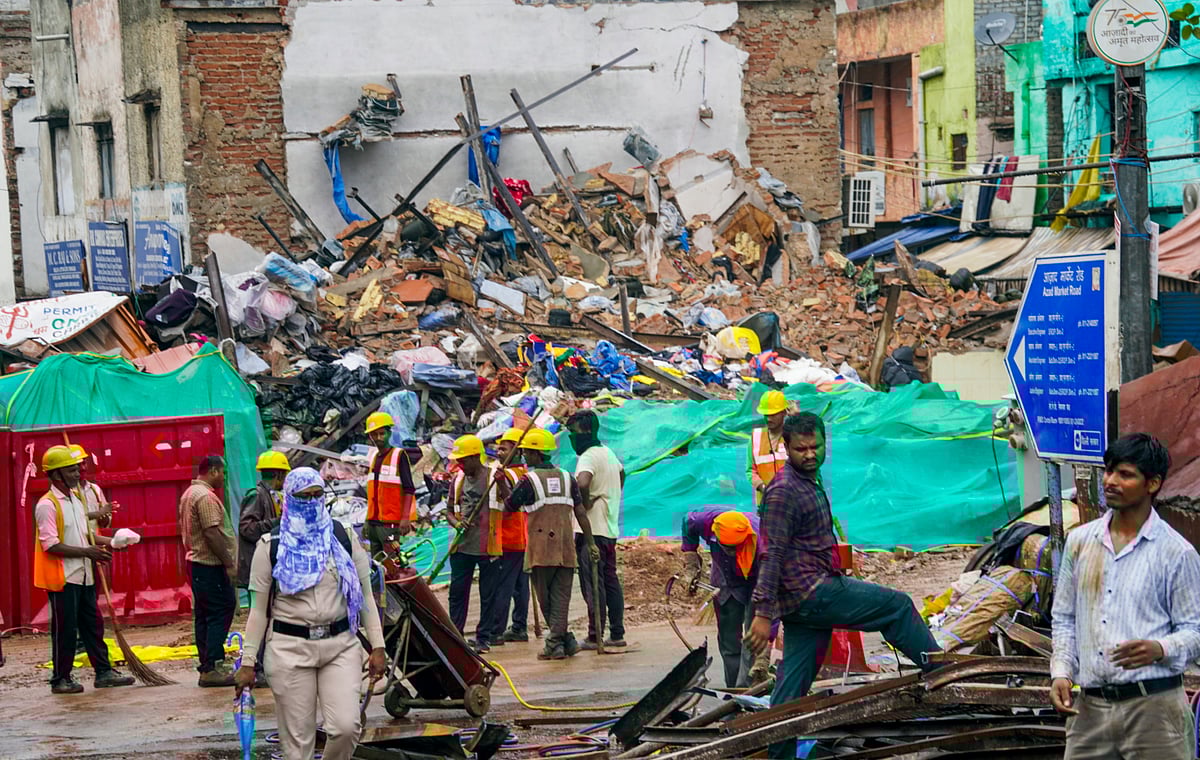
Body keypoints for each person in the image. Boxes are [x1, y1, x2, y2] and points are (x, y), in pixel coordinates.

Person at [747, 413, 938, 759]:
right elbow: (770, 553)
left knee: (790, 691)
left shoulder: (809, 481)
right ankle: (942, 674)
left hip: (805, 606)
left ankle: (779, 755)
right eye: (801, 448)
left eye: (815, 446)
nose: (809, 454)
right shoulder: (784, 491)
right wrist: (762, 613)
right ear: (786, 448)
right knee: (897, 606)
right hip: (812, 592)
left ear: (824, 444)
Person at [1049, 433, 1200, 759]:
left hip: (1154, 711)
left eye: (1125, 474)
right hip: (1089, 711)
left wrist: (1160, 648)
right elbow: (1064, 616)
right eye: (1109, 470)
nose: (1111, 481)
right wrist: (1061, 671)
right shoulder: (1080, 542)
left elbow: (1195, 632)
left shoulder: (1177, 553)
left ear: (1152, 484)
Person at [234, 468, 387, 760]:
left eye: (317, 496)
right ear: (289, 500)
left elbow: (366, 595)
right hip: (289, 650)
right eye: (304, 497)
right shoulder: (271, 548)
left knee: (345, 727)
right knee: (298, 744)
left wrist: (378, 646)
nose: (311, 502)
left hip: (340, 646)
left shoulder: (342, 539)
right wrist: (248, 662)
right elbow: (257, 612)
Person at [34, 445, 135, 694]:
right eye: (71, 470)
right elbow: (51, 545)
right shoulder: (47, 505)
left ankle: (104, 672)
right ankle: (61, 679)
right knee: (65, 630)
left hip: (85, 575)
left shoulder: (77, 499)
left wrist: (111, 543)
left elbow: (86, 535)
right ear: (56, 475)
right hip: (63, 578)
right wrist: (87, 552)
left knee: (93, 626)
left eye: (77, 468)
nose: (78, 473)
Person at [500, 428, 599, 660]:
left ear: (536, 454)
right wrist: (591, 542)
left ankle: (555, 643)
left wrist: (502, 485)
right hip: (565, 547)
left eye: (527, 452)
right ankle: (566, 641)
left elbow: (508, 508)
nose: (524, 456)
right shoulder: (567, 477)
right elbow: (581, 511)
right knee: (561, 598)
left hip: (540, 549)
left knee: (547, 600)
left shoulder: (528, 480)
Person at [682, 509, 767, 688]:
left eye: (735, 548)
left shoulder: (763, 545)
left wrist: (764, 653)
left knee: (754, 638)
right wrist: (691, 561)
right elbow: (687, 524)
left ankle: (748, 689)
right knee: (728, 639)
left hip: (756, 580)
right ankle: (733, 689)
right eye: (726, 547)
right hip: (725, 578)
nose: (730, 552)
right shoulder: (702, 520)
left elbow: (771, 596)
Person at [568, 410, 627, 649]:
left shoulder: (589, 456)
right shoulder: (608, 453)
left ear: (586, 431)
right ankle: (617, 632)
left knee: (593, 583)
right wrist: (612, 496)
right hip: (609, 528)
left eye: (574, 432)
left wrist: (584, 502)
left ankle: (595, 635)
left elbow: (582, 482)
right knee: (610, 581)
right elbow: (623, 473)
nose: (573, 437)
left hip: (590, 530)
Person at [180, 455, 237, 687]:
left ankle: (207, 665)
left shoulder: (189, 494)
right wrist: (229, 563)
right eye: (222, 473)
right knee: (221, 610)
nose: (223, 478)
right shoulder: (205, 497)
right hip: (209, 564)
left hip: (198, 565)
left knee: (204, 615)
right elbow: (212, 533)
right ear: (213, 471)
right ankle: (213, 664)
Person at [445, 434, 503, 653]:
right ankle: (455, 634)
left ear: (475, 457)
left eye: (463, 460)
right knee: (458, 592)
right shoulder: (458, 480)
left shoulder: (492, 478)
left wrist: (502, 483)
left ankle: (483, 638)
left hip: (488, 544)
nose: (460, 464)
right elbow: (449, 511)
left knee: (488, 593)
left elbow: (509, 503)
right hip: (462, 546)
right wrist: (457, 523)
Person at [237, 450, 291, 686]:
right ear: (279, 474)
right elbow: (247, 528)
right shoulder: (256, 496)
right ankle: (257, 667)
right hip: (255, 566)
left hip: (268, 566)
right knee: (260, 616)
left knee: (268, 615)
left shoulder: (270, 496)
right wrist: (276, 523)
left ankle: (263, 664)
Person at [489, 427, 531, 644]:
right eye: (499, 449)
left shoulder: (508, 474)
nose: (499, 452)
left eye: (504, 449)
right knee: (520, 586)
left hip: (510, 536)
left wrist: (500, 483)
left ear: (516, 450)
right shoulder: (524, 472)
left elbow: (511, 503)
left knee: (503, 585)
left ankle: (496, 630)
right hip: (523, 537)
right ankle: (519, 627)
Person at [363, 412, 417, 559]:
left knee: (392, 564)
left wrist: (405, 518)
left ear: (389, 433)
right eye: (375, 435)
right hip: (374, 524)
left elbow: (409, 489)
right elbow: (374, 492)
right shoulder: (374, 457)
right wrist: (367, 521)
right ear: (370, 436)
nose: (379, 438)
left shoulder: (398, 455)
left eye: (382, 433)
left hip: (390, 526)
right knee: (378, 566)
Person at [748, 390, 789, 509]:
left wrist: (796, 417)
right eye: (766, 415)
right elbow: (750, 470)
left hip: (792, 503)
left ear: (784, 413)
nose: (769, 419)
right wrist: (763, 488)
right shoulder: (756, 437)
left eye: (773, 414)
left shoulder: (792, 435)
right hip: (766, 506)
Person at [70, 444, 118, 533]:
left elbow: (104, 524)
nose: (82, 468)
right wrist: (98, 513)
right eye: (78, 465)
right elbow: (72, 520)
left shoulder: (95, 489)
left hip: (94, 544)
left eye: (84, 463)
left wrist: (104, 517)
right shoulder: (67, 492)